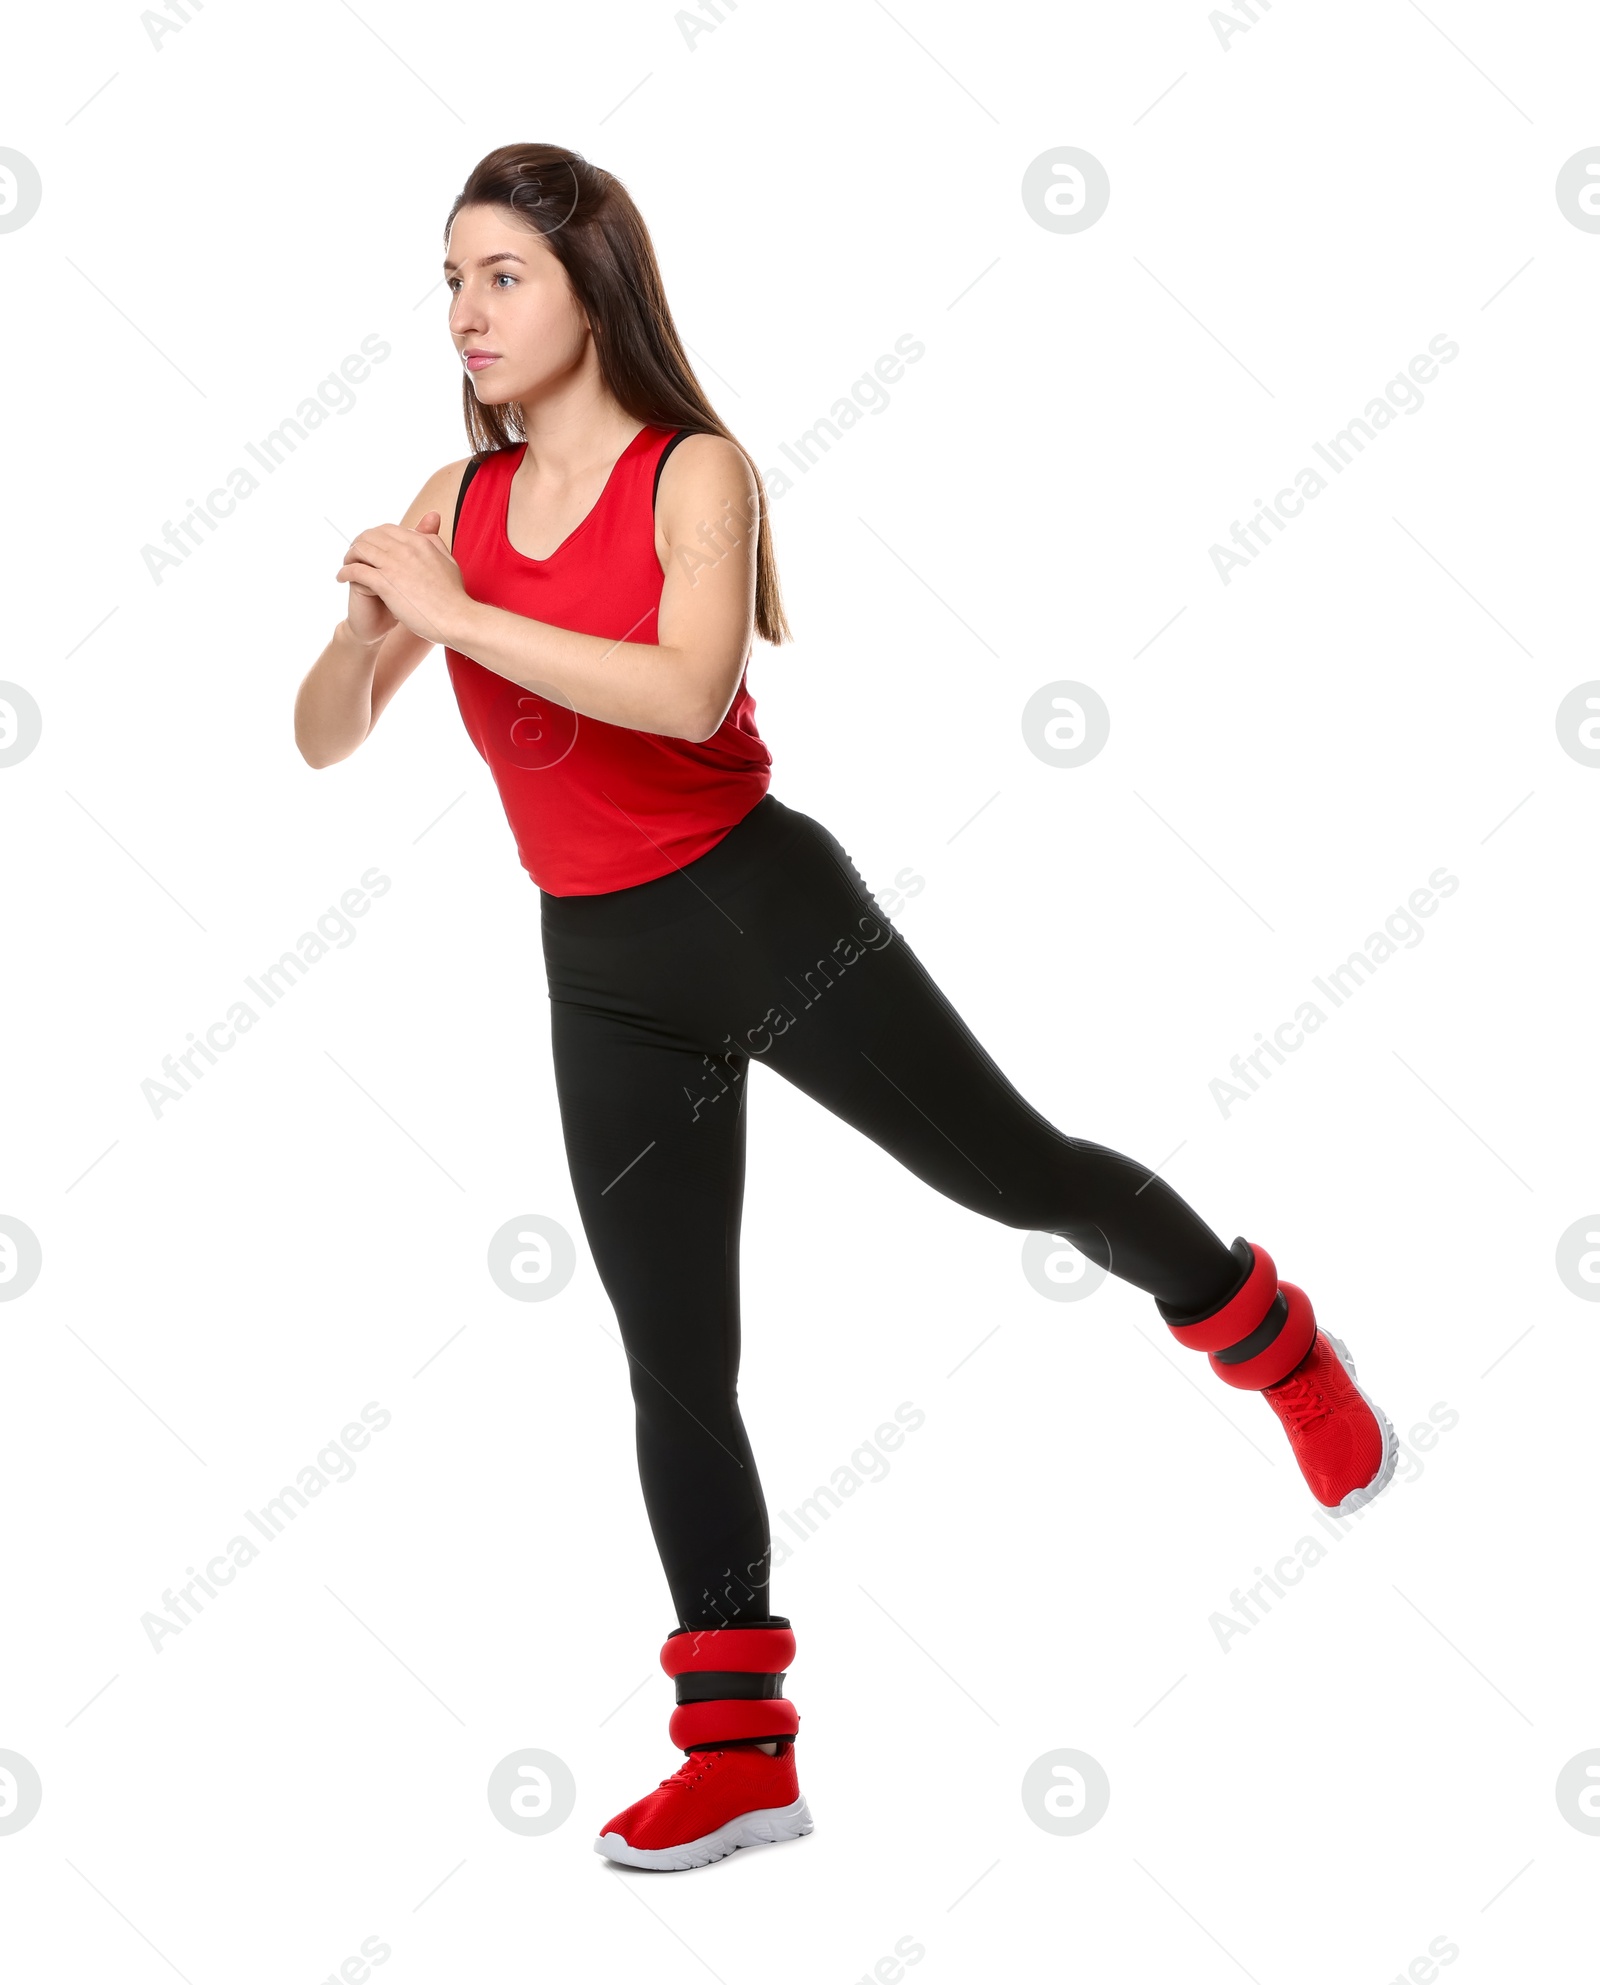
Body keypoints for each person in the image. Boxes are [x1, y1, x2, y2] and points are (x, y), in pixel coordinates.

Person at [293, 143, 1397, 1875]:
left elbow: (683, 686)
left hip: (761, 914)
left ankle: (1271, 1335)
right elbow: (320, 737)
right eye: (449, 279)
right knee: (674, 1364)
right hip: (596, 972)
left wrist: (455, 616)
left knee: (1019, 1174)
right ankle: (740, 1756)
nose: (466, 311)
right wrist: (371, 631)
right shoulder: (450, 506)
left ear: (592, 284)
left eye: (500, 273)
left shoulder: (697, 472)